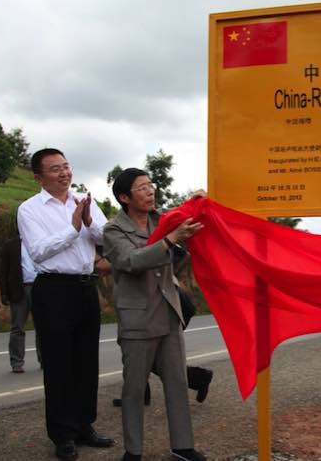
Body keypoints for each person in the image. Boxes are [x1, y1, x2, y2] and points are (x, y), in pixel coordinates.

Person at [104, 168, 207, 461]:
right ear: (124, 197)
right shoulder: (113, 230)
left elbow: (181, 245)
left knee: (177, 383)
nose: (150, 191)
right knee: (135, 389)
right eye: (141, 188)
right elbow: (130, 260)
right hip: (138, 318)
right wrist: (170, 240)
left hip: (168, 312)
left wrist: (198, 203)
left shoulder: (162, 220)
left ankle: (182, 446)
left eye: (151, 185)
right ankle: (133, 451)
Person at [17, 148, 114, 460]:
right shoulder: (29, 209)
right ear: (39, 177)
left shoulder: (83, 200)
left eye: (66, 166)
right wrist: (72, 228)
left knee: (86, 361)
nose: (64, 173)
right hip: (53, 289)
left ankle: (85, 425)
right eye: (55, 169)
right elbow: (38, 251)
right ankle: (62, 434)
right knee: (58, 364)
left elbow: (106, 237)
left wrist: (88, 221)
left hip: (85, 287)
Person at [0, 234, 41, 373]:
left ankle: (45, 359)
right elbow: (4, 270)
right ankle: (17, 362)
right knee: (17, 327)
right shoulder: (10, 245)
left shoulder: (40, 241)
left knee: (43, 327)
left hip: (39, 287)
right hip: (19, 289)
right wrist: (4, 293)